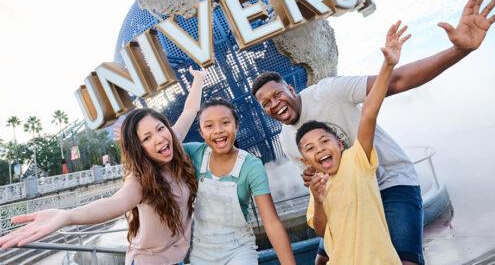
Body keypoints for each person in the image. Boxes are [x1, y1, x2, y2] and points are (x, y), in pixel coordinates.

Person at [251, 0, 495, 265]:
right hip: (352, 196)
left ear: (290, 88)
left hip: (390, 183)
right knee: (323, 260)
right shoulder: (289, 141)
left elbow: (395, 82)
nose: (273, 104)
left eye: (277, 94)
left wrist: (460, 50)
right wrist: (314, 184)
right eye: (265, 103)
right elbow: (324, 188)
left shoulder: (329, 91)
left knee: (405, 260)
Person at [0, 67, 208, 265]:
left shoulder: (173, 142)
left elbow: (189, 110)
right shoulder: (140, 180)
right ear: (139, 149)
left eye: (160, 128)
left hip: (176, 258)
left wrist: (198, 79)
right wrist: (67, 216)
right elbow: (114, 203)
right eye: (147, 138)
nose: (159, 139)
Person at [297, 24, 410, 264]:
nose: (320, 149)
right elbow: (321, 230)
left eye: (325, 141)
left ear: (340, 144)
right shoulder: (317, 188)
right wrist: (317, 200)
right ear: (306, 162)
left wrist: (388, 65)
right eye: (310, 148)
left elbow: (369, 112)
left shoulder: (357, 160)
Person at [183, 97, 296, 265]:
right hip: (201, 252)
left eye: (225, 122)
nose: (218, 130)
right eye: (209, 126)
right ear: (201, 132)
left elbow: (271, 223)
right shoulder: (193, 153)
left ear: (236, 126)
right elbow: (163, 142)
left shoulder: (251, 166)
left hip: (239, 250)